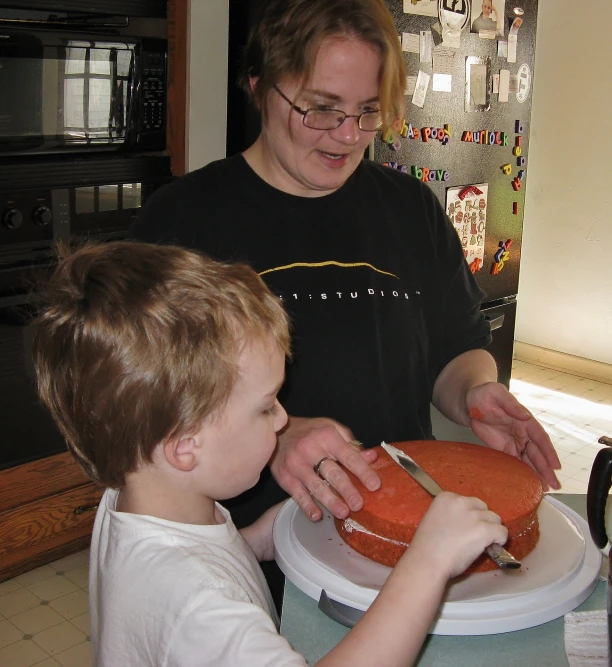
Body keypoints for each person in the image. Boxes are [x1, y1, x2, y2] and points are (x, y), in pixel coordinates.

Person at [130, 0, 560, 602]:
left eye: (367, 112)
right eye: (321, 108)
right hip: (250, 555)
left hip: (404, 543)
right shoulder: (183, 220)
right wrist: (273, 438)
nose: (348, 136)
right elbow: (141, 408)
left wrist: (474, 391)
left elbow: (455, 345)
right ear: (258, 85)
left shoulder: (411, 210)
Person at [32, 240, 509, 667]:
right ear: (184, 446)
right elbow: (196, 595)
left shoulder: (132, 495)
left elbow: (195, 556)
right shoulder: (202, 610)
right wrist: (429, 561)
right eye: (265, 408)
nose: (284, 420)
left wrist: (258, 538)